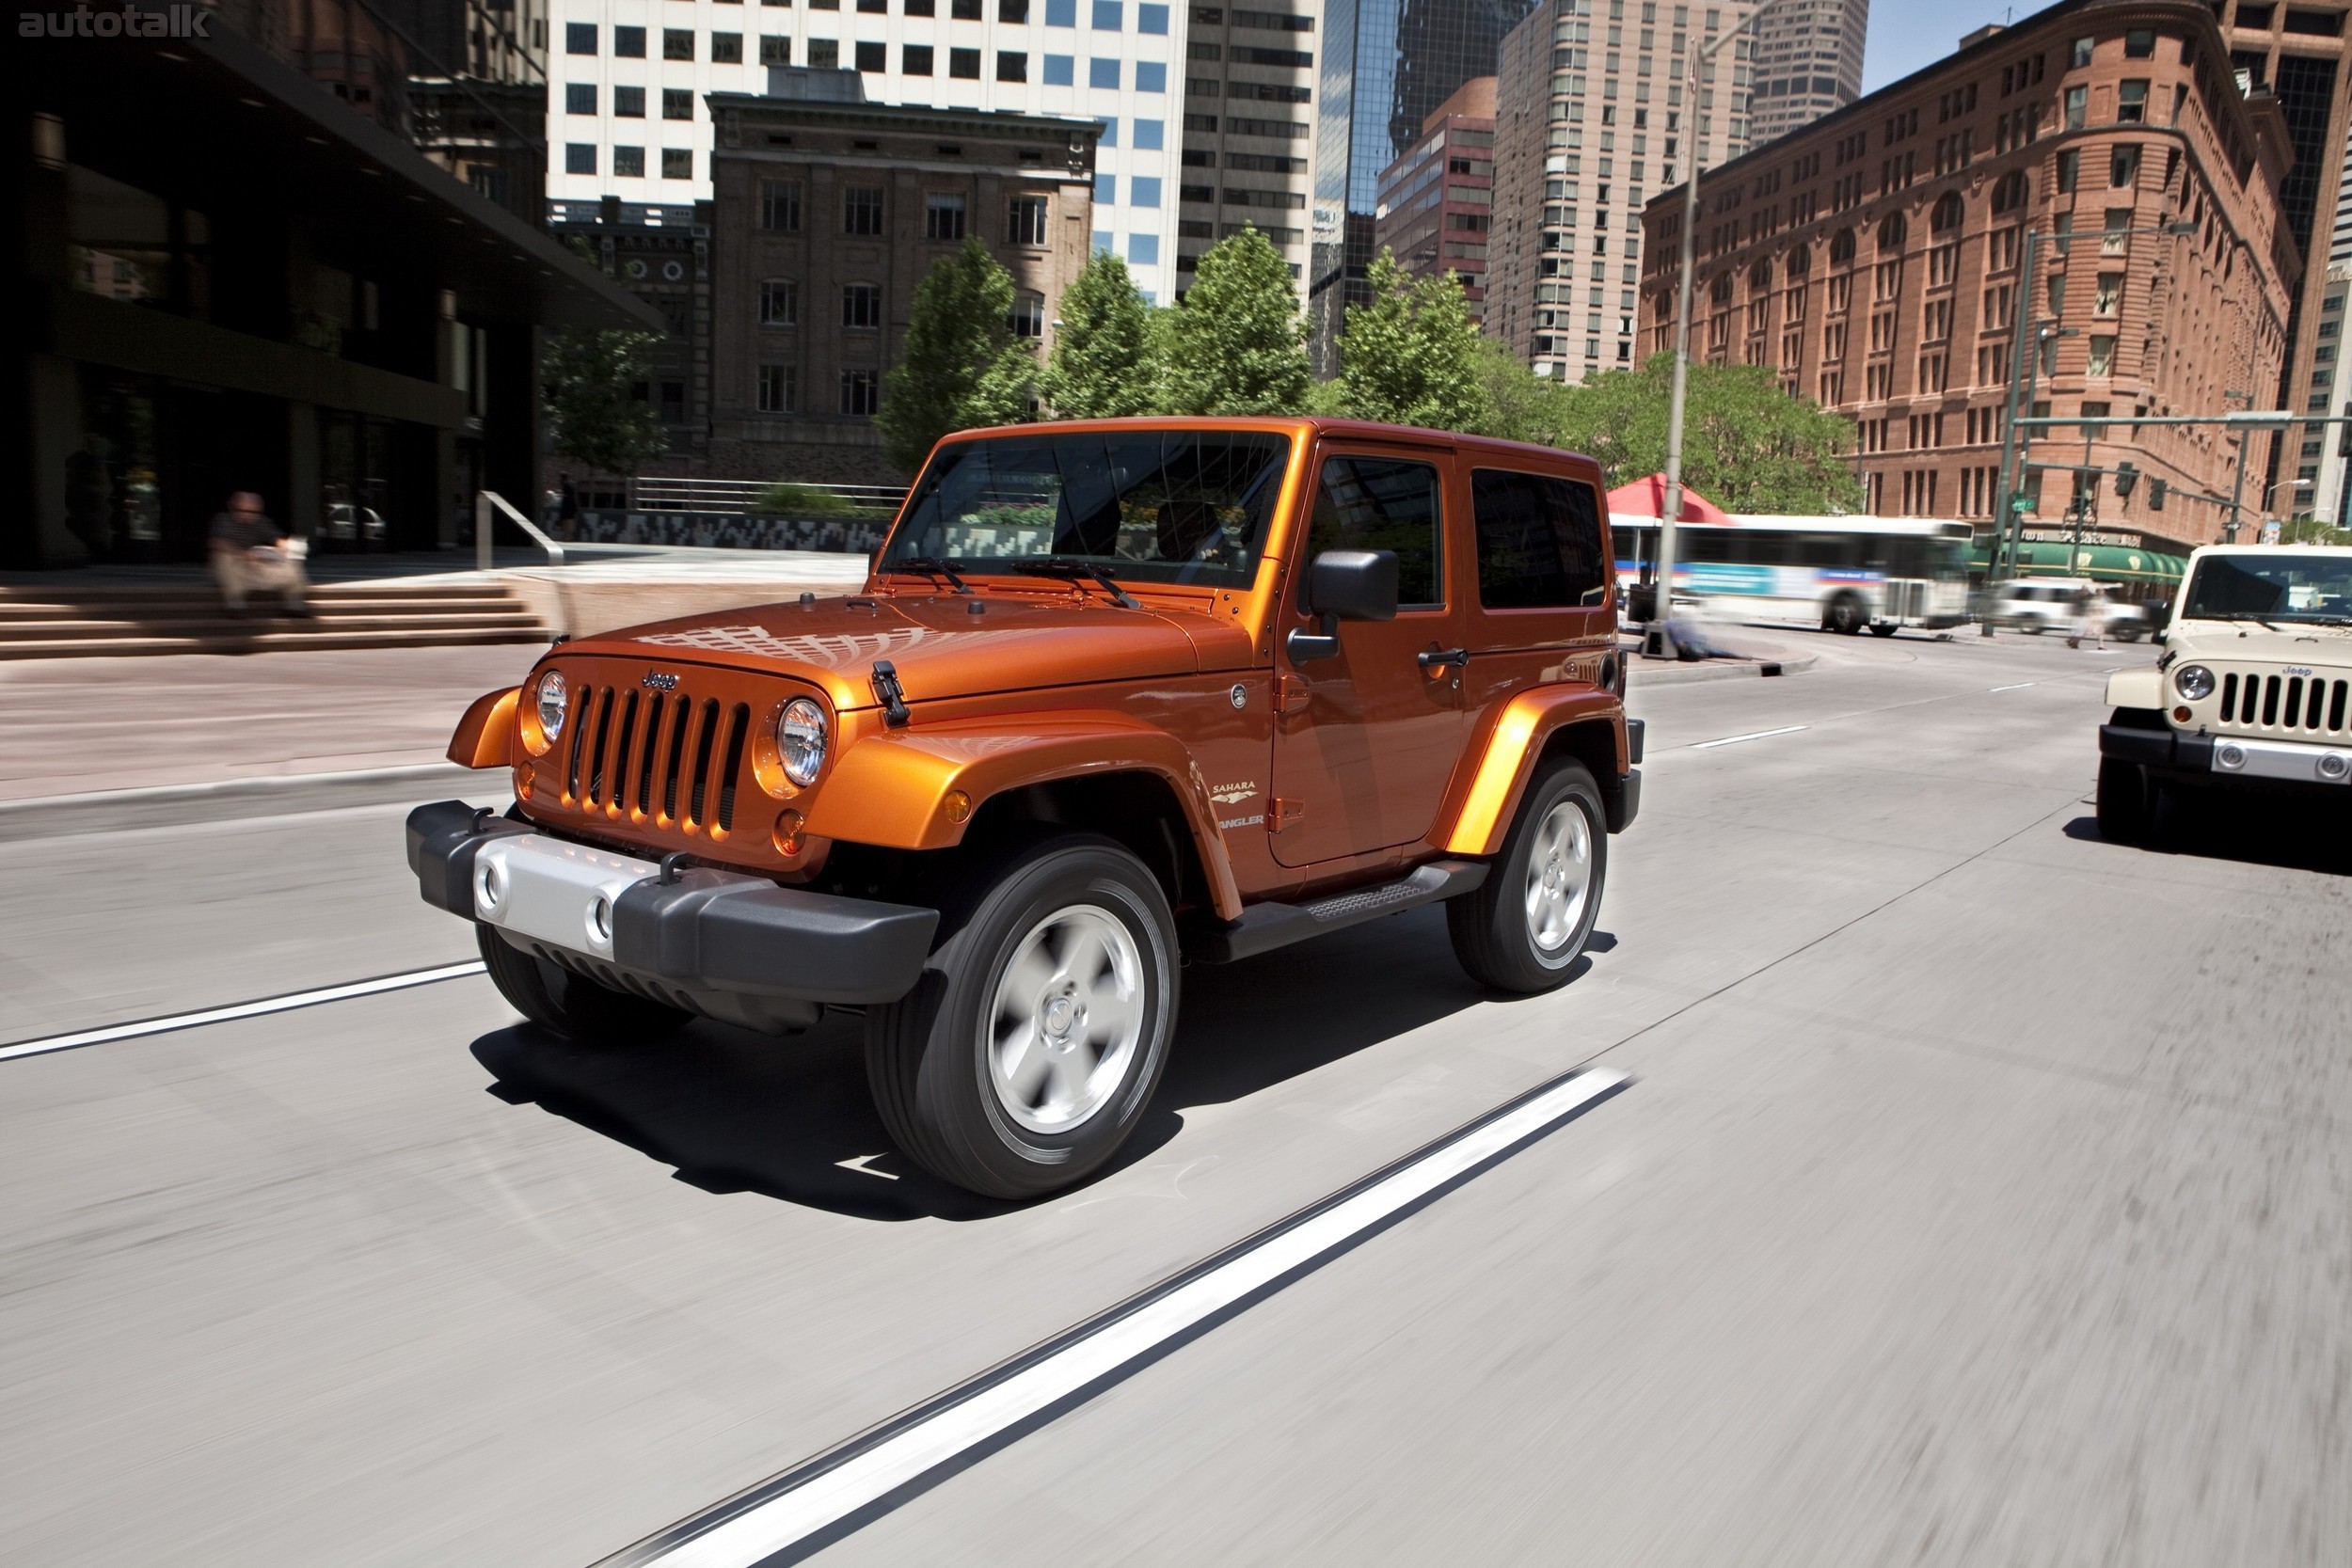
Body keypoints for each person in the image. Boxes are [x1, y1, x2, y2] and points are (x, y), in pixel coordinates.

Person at [208, 491, 311, 616]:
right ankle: (235, 603)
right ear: (233, 508)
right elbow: (218, 543)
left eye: (252, 512)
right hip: (233, 564)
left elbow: (276, 538)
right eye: (241, 510)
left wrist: (287, 546)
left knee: (292, 554)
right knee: (223, 557)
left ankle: (294, 604)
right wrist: (243, 554)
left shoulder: (260, 521)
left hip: (252, 564)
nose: (247, 515)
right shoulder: (223, 520)